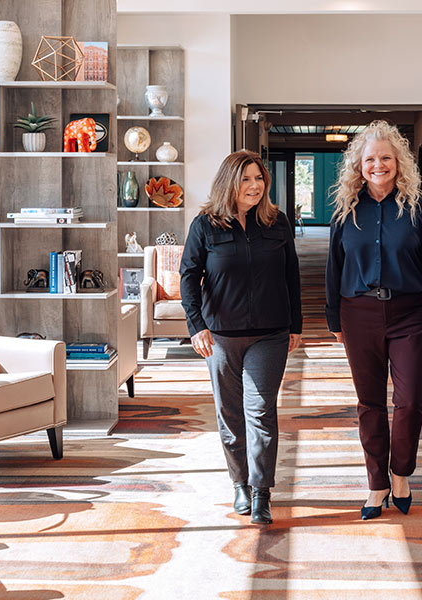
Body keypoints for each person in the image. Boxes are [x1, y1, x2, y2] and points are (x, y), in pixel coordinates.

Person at [325, 120, 422, 520]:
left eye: (386, 158)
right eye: (370, 159)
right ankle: (378, 484)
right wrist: (334, 319)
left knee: (411, 400)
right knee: (370, 403)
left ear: (399, 163)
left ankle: (402, 473)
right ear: (358, 166)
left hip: (410, 313)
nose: (378, 165)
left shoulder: (417, 210)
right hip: (358, 313)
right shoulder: (345, 212)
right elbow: (334, 267)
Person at [180, 150, 302, 525]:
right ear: (229, 183)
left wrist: (296, 324)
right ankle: (240, 484)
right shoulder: (206, 225)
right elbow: (188, 276)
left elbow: (291, 275)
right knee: (230, 415)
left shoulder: (277, 222)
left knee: (261, 410)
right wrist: (196, 325)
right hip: (221, 336)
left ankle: (262, 492)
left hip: (270, 333)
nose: (254, 186)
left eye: (259, 179)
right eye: (246, 179)